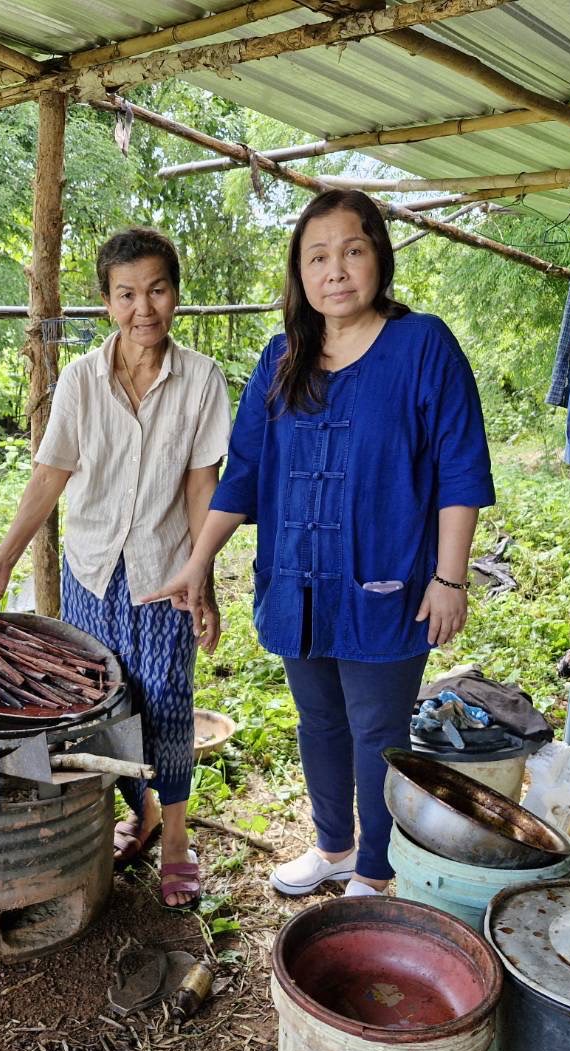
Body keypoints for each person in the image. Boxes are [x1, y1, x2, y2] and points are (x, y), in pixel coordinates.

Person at [145, 190, 494, 899]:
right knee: (319, 721)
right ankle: (334, 846)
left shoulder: (422, 345)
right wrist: (197, 562)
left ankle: (376, 869)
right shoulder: (282, 357)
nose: (335, 270)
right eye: (317, 257)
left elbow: (459, 467)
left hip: (386, 580)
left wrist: (450, 579)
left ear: (379, 258)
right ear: (299, 273)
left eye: (352, 251)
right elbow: (244, 472)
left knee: (377, 729)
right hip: (296, 580)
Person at [0, 227, 231, 909]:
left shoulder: (201, 379)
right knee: (101, 704)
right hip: (90, 573)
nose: (144, 308)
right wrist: (2, 559)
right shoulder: (81, 381)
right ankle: (139, 814)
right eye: (127, 294)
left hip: (165, 573)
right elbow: (50, 475)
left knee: (167, 705)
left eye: (157, 290)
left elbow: (202, 487)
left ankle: (175, 840)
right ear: (107, 302)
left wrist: (201, 577)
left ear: (176, 294)